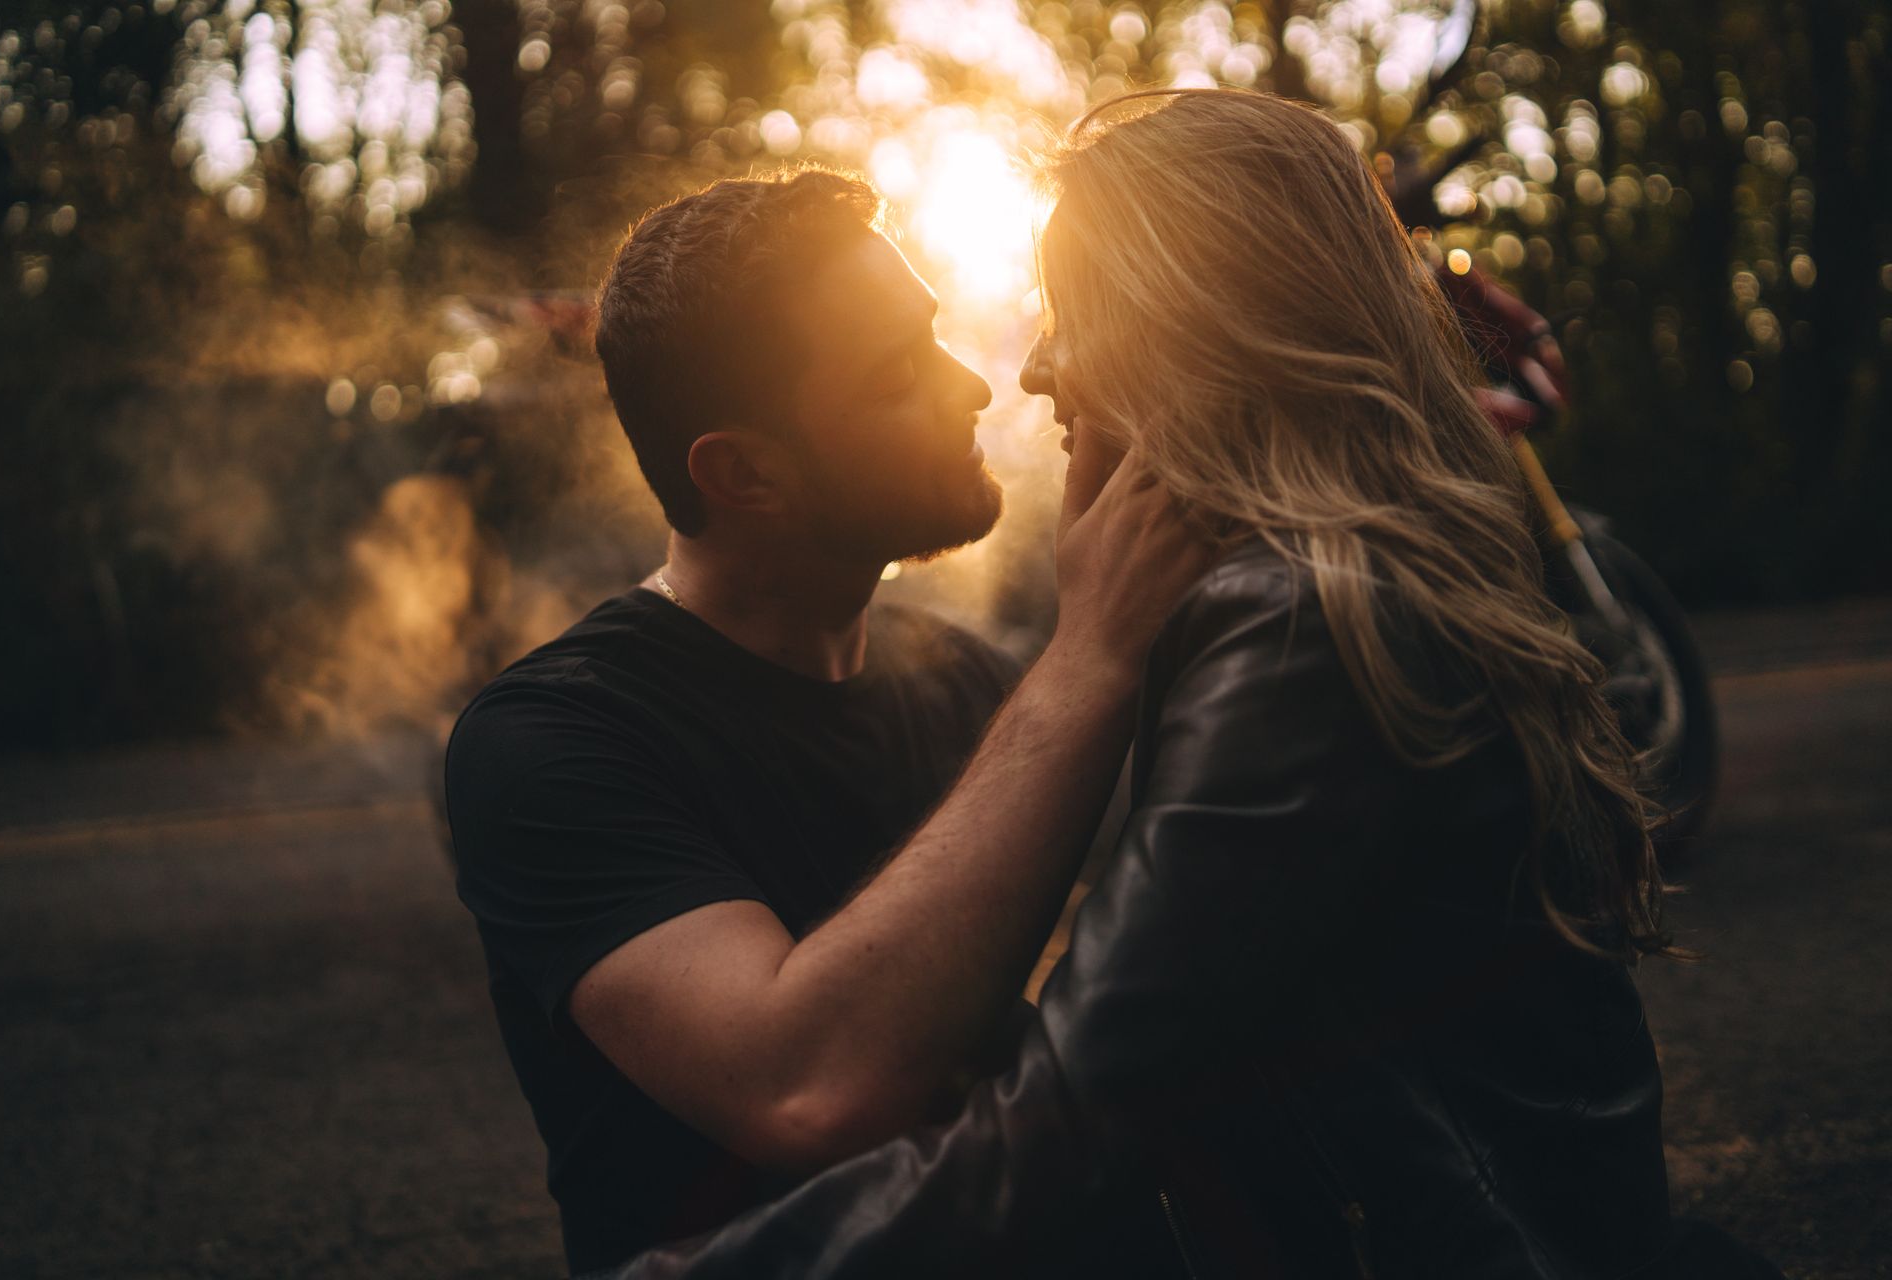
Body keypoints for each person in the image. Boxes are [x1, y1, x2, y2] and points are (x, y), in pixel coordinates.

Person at [601, 90, 1786, 1279]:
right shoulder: (1347, 583)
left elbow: (1079, 1115)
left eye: (1073, 312)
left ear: (1195, 325)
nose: (1030, 370)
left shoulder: (1296, 627)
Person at [444, 170, 1214, 1275]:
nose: (972, 391)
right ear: (747, 471)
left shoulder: (960, 678)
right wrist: (1092, 653)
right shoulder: (552, 741)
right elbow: (805, 1088)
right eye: (900, 372)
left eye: (936, 337)